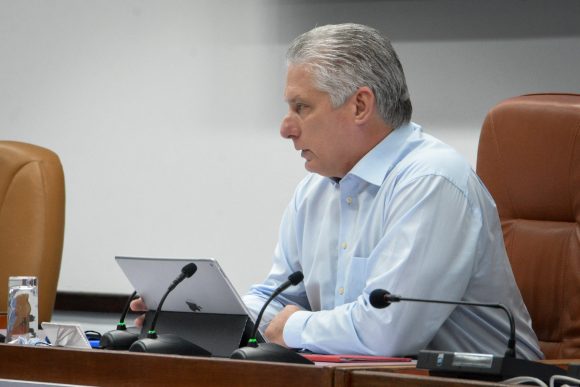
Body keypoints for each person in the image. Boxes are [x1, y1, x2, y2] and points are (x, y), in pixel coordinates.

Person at [241, 23, 543, 359]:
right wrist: (209, 315)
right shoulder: (315, 191)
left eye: (301, 107)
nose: (286, 128)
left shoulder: (431, 181)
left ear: (359, 106)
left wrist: (295, 327)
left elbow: (387, 333)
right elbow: (278, 300)